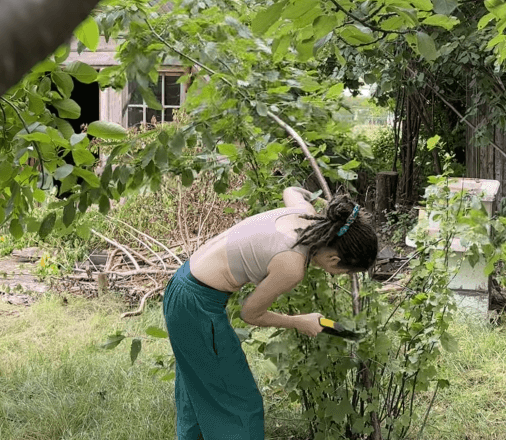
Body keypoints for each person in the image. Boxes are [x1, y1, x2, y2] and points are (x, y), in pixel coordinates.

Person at [162, 186, 378, 440]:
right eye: (346, 272)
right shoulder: (291, 265)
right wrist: (299, 322)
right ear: (333, 261)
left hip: (182, 287)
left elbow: (293, 189)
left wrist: (333, 213)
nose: (339, 275)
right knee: (240, 402)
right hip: (196, 307)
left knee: (198, 387)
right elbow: (250, 314)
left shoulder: (302, 212)